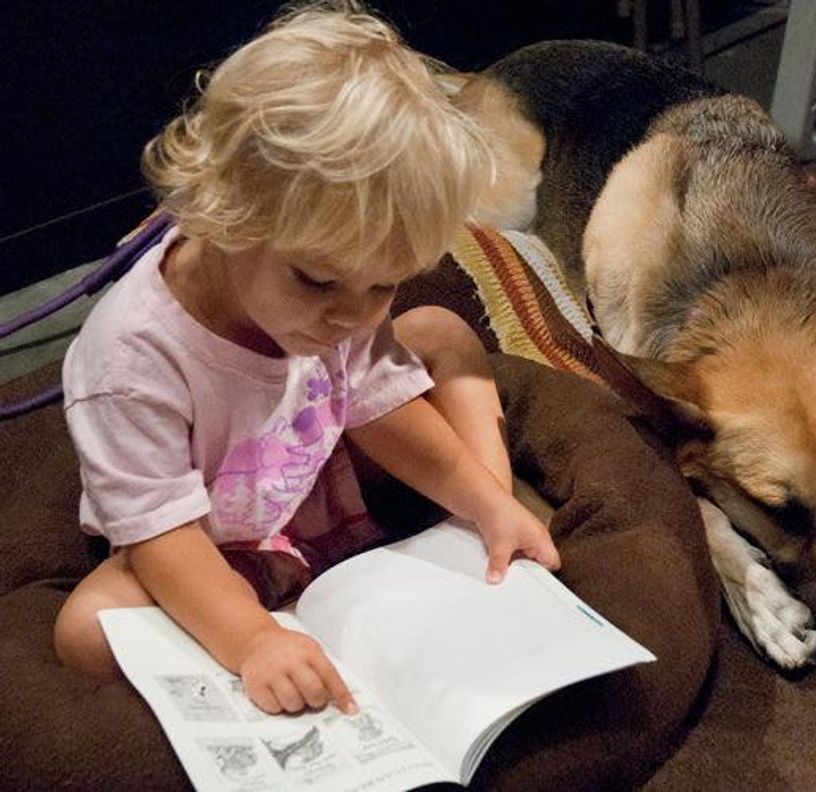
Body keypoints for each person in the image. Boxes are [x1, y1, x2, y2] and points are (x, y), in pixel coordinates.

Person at [52, 4, 560, 718]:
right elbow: (161, 537)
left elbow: (380, 408)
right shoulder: (129, 359)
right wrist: (253, 640)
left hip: (314, 482)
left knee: (440, 329)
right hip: (203, 541)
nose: (351, 316)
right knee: (86, 632)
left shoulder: (337, 303)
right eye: (317, 281)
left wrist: (485, 504)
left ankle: (478, 527)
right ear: (225, 214)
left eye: (382, 283)